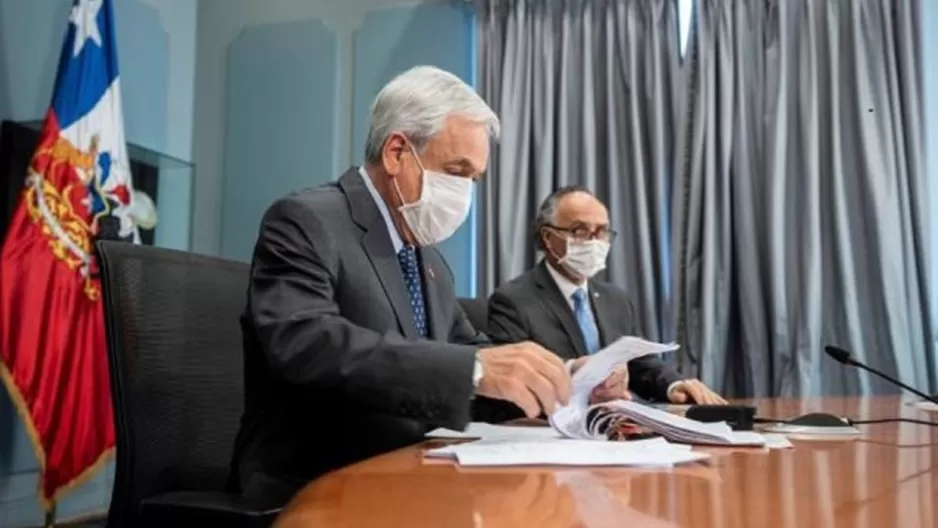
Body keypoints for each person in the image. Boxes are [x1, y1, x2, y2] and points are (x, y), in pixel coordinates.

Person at [229, 67, 625, 505]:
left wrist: (561, 378)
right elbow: (305, 342)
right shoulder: (305, 221)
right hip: (316, 480)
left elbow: (469, 366)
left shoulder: (428, 257)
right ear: (398, 152)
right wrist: (475, 369)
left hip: (413, 472)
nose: (465, 193)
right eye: (456, 171)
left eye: (473, 179)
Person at [487, 186, 726, 407]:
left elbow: (641, 365)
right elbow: (512, 385)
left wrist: (674, 384)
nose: (593, 242)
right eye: (580, 231)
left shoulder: (616, 300)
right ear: (549, 238)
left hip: (615, 430)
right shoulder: (513, 300)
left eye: (601, 232)